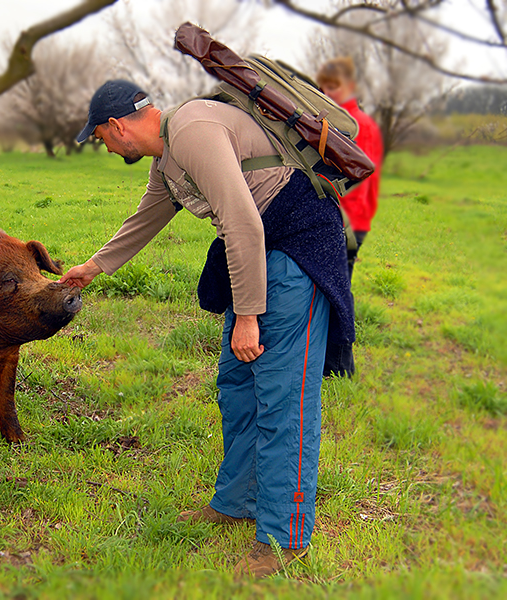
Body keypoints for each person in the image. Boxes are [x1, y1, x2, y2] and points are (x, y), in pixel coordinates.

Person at [60, 80, 354, 578]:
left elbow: (242, 221)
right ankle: (236, 500)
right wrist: (94, 266)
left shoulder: (193, 129)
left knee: (285, 400)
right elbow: (147, 219)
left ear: (117, 127)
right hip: (260, 255)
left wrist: (247, 316)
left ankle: (285, 539)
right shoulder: (168, 157)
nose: (106, 148)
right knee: (237, 386)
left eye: (102, 139)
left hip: (296, 252)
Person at [316, 57, 385, 378]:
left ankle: (340, 367)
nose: (327, 92)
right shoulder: (333, 120)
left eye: (334, 86)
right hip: (341, 219)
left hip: (349, 222)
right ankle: (329, 361)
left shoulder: (359, 126)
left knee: (338, 292)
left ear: (351, 87)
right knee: (331, 289)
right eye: (323, 86)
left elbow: (359, 179)